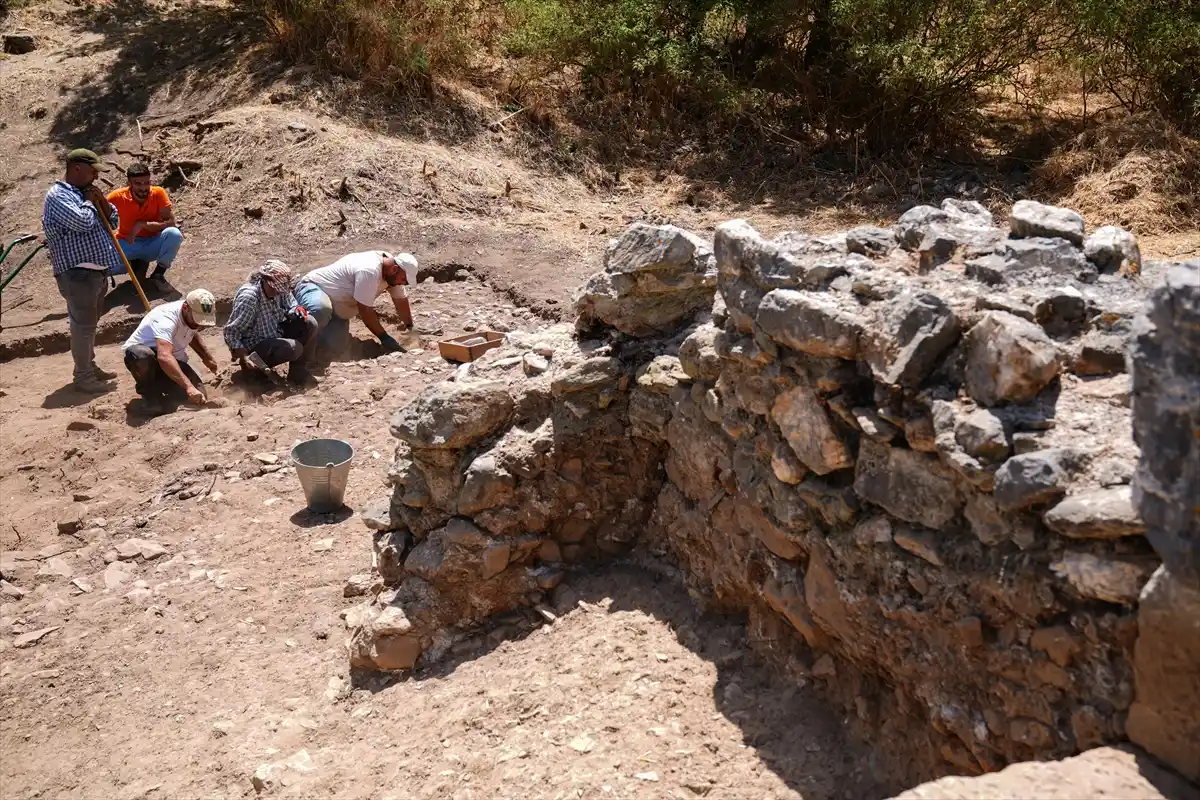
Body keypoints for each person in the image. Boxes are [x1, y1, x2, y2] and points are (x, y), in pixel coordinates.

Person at [42, 148, 124, 393]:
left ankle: (89, 366)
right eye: (92, 171)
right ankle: (84, 376)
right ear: (77, 168)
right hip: (77, 274)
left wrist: (101, 201)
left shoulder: (85, 193)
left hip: (97, 273)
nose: (96, 178)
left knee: (90, 324)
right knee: (83, 326)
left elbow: (115, 220)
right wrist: (90, 202)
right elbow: (83, 222)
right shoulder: (58, 196)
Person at [293, 250, 418, 361]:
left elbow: (400, 300)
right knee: (320, 309)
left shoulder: (391, 273)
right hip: (313, 289)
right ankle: (296, 348)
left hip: (336, 313)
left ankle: (314, 340)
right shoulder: (369, 270)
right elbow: (365, 310)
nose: (402, 284)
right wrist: (384, 337)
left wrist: (410, 327)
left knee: (334, 348)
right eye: (403, 279)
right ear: (395, 269)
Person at [122, 288, 220, 415]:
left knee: (199, 396)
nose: (199, 324)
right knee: (142, 356)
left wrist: (209, 360)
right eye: (197, 319)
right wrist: (188, 386)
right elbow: (164, 356)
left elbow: (192, 333)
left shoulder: (190, 316)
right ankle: (150, 399)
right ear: (185, 308)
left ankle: (165, 396)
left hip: (172, 361)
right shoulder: (166, 320)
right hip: (148, 359)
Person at [223, 259, 318, 386]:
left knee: (310, 323)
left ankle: (298, 373)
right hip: (256, 345)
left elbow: (291, 303)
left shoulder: (278, 290)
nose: (280, 291)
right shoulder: (249, 298)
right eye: (277, 288)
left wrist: (296, 310)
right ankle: (255, 373)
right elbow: (231, 331)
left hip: (275, 332)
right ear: (266, 281)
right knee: (294, 347)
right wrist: (244, 356)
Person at [106, 162, 183, 290]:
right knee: (103, 266)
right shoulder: (117, 197)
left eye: (146, 183)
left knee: (174, 234)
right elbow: (100, 215)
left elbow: (170, 223)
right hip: (127, 243)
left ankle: (158, 274)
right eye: (138, 184)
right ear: (129, 184)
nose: (143, 188)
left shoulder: (158, 193)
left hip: (153, 242)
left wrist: (142, 225)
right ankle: (135, 264)